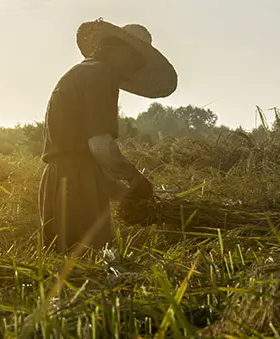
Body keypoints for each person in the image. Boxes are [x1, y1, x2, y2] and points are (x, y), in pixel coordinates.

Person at [40, 19, 178, 253]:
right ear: (121, 51)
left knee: (63, 266)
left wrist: (124, 194)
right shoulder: (100, 75)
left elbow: (80, 153)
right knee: (89, 264)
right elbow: (99, 145)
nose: (135, 70)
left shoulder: (82, 72)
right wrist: (135, 178)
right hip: (75, 183)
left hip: (57, 181)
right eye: (136, 62)